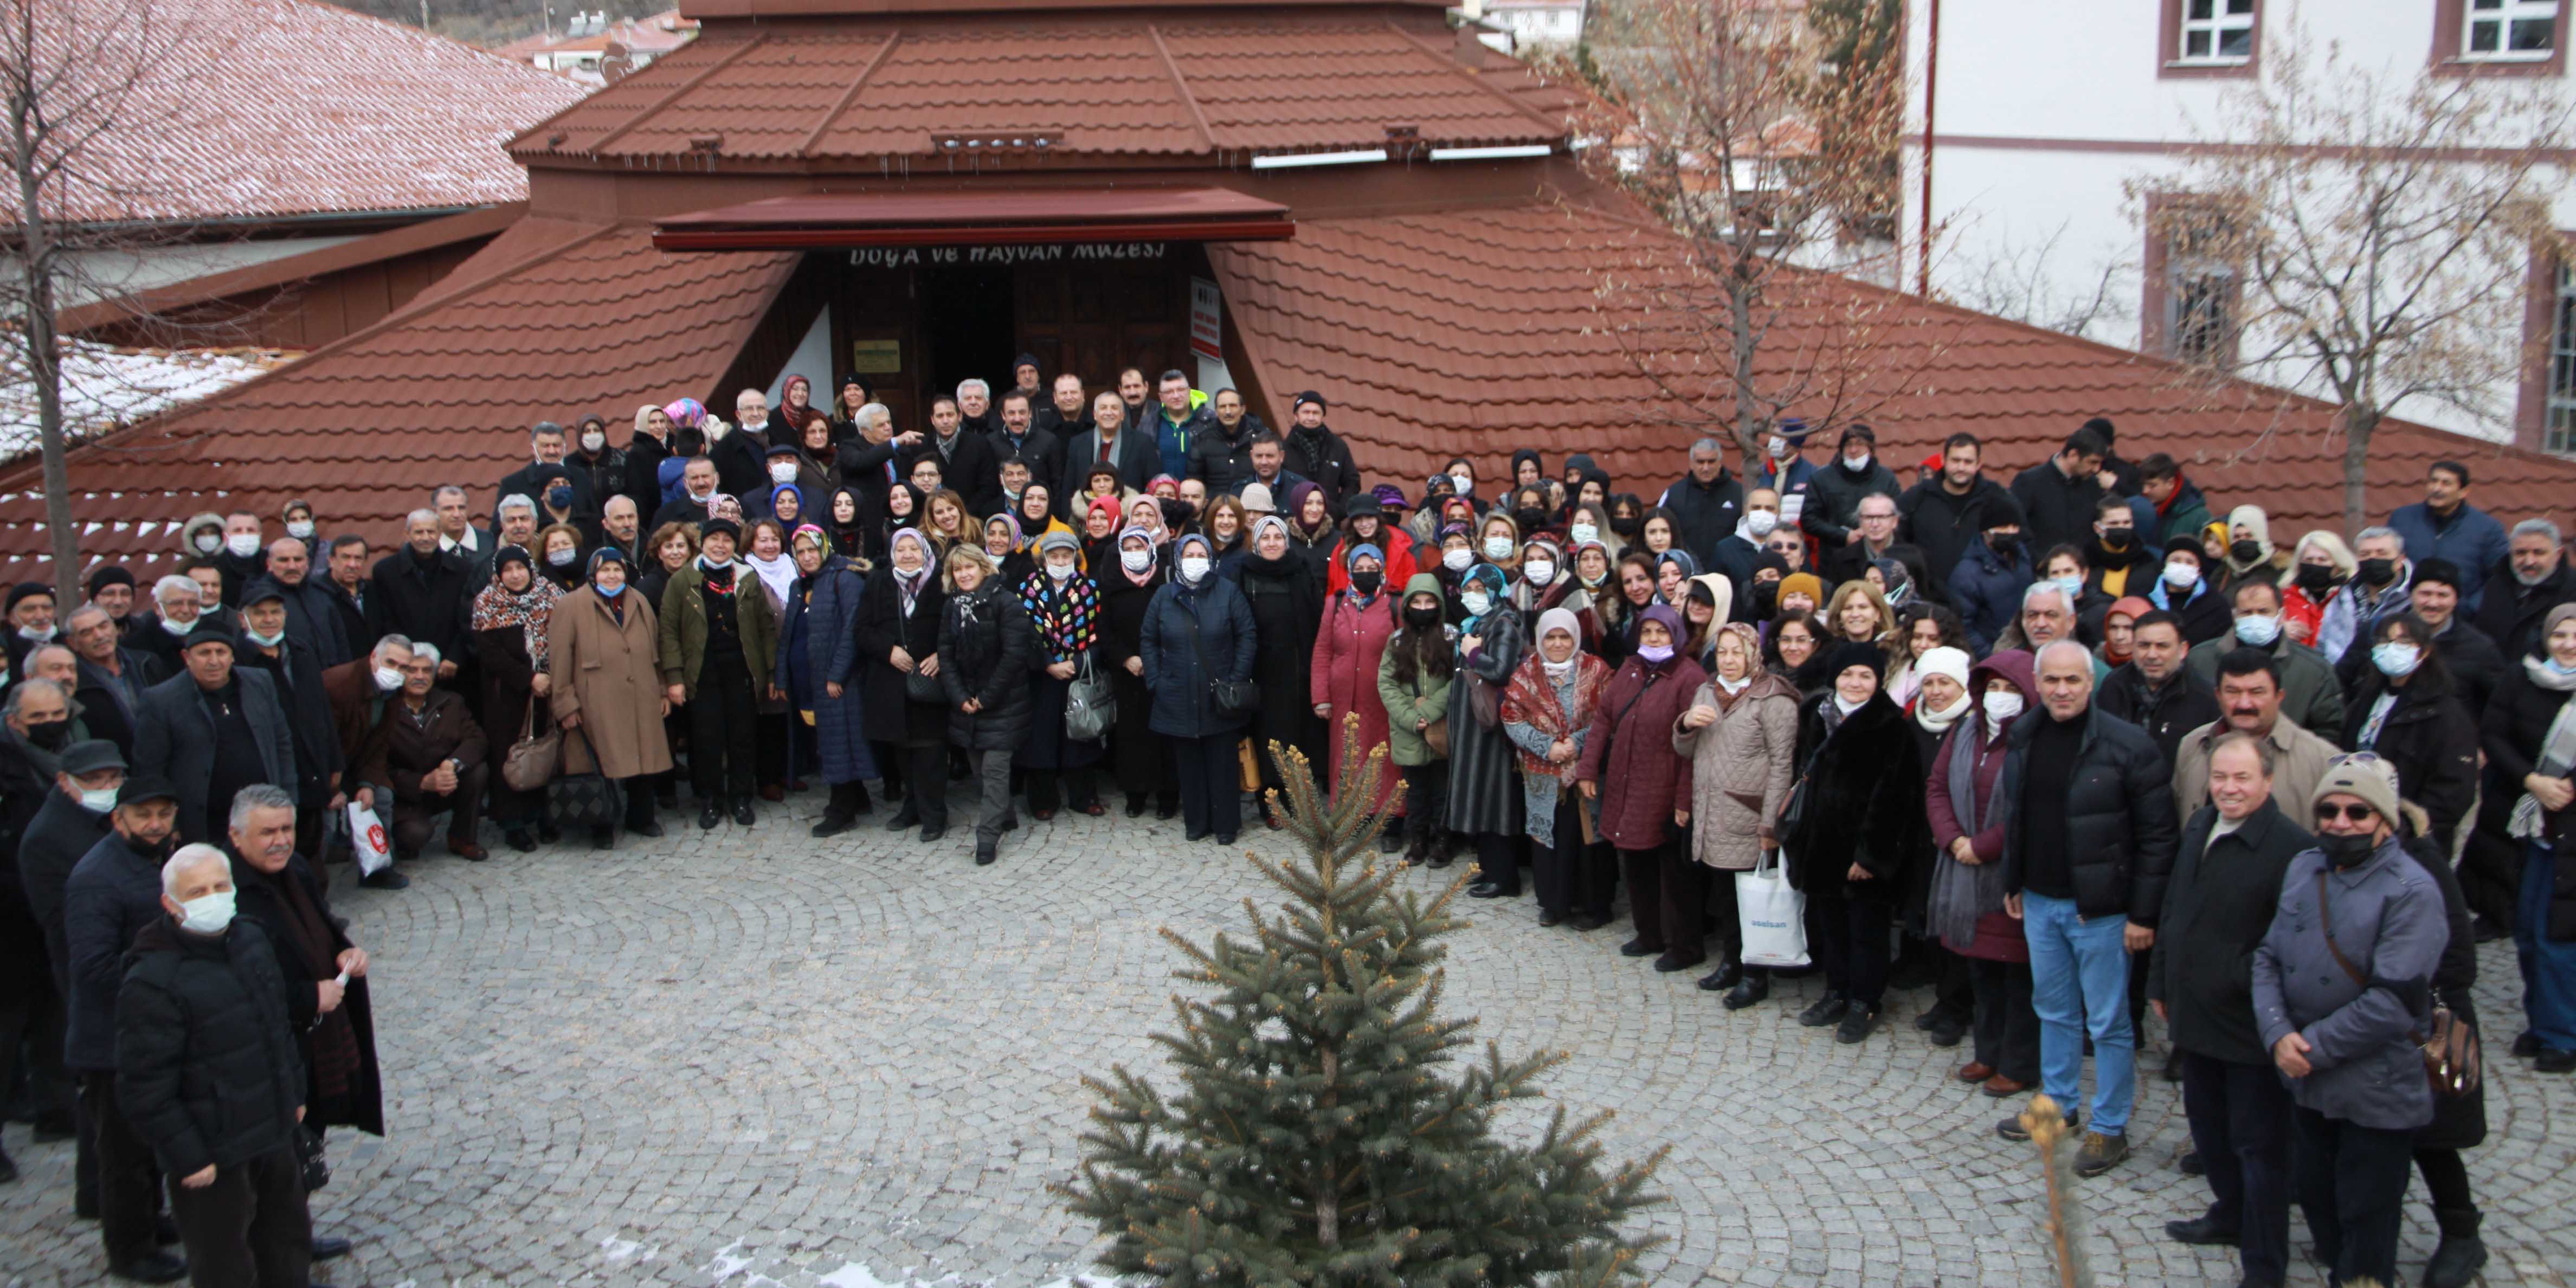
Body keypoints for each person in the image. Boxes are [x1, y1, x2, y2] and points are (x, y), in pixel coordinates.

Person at [2252, 755, 2449, 1288]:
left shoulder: (2413, 892)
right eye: (2330, 810)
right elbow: (2268, 955)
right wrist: (2276, 1032)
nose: (2341, 822)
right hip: (2307, 1081)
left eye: (2359, 812)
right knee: (2318, 1200)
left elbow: (2392, 1002)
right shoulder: (2303, 867)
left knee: (2367, 1216)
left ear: (2385, 820)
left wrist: (2307, 1046)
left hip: (2375, 1086)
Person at [1996, 640, 2178, 1176]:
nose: (2061, 690)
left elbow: (2158, 837)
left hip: (2100, 911)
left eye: (2072, 680)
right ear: (2037, 681)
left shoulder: (2129, 746)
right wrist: (2015, 878)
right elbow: (2019, 816)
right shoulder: (2026, 736)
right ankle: (2058, 1104)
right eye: (2051, 680)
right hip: (2039, 899)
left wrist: (2143, 915)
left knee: (2108, 1022)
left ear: (2091, 680)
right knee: (2053, 1010)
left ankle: (2110, 1126)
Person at [2149, 732, 2314, 1288]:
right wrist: (2161, 978)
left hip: (2248, 1024)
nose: (2229, 788)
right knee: (2210, 1131)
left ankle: (2266, 1263)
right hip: (2194, 1014)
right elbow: (2175, 908)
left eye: (2242, 778)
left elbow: (2289, 945)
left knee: (2259, 1147)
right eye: (2220, 777)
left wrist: (2226, 977)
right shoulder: (2200, 825)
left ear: (2267, 781)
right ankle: (2228, 1213)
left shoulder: (2291, 850)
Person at [115, 845, 313, 1288]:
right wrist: (188, 1156)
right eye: (197, 890)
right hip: (212, 1154)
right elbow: (144, 1086)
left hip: (272, 1129)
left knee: (286, 1241)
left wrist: (294, 1097)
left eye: (220, 886)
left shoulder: (252, 940)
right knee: (224, 1264)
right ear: (171, 903)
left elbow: (277, 1028)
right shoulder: (151, 981)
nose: (212, 897)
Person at [222, 786, 377, 1265]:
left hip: (313, 1038)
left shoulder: (297, 873)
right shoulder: (227, 893)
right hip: (267, 1050)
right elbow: (231, 987)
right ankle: (271, 1253)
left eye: (286, 829)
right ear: (235, 835)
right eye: (267, 831)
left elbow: (322, 926)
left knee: (307, 1139)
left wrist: (344, 950)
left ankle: (293, 1238)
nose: (280, 840)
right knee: (273, 1161)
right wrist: (307, 996)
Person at [61, 773, 186, 1284]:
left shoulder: (156, 858)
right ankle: (130, 1250)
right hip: (111, 1040)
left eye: (163, 814)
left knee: (147, 1146)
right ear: (118, 819)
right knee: (123, 1155)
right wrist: (164, 975)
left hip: (147, 1031)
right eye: (143, 816)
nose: (155, 825)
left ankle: (151, 1221)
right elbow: (93, 969)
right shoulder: (96, 877)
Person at [1781, 641, 1923, 1042]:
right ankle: (1837, 991)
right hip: (1821, 843)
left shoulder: (1891, 725)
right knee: (1831, 926)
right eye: (1847, 675)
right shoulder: (1817, 714)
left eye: (1866, 676)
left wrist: (1871, 856)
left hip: (1862, 850)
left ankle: (1865, 1000)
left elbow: (1896, 798)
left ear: (1878, 681)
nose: (1856, 683)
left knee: (1866, 930)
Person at [1927, 651, 2041, 1097]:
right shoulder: (1967, 730)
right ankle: (1987, 1052)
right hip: (1963, 870)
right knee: (1982, 974)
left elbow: (2028, 808)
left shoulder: (2033, 740)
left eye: (2010, 689)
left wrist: (1983, 845)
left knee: (2017, 977)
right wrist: (1953, 839)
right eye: (1992, 688)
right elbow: (1937, 787)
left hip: (2007, 876)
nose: (2000, 697)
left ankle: (2019, 1062)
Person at [1672, 620, 1799, 1001]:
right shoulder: (1705, 691)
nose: (1729, 660)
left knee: (1751, 897)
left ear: (1753, 654)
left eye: (1737, 652)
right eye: (1723, 651)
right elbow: (1685, 752)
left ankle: (1755, 975)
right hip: (1711, 813)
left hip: (1748, 813)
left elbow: (1782, 765)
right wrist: (1685, 724)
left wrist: (1769, 824)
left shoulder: (1774, 698)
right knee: (1725, 896)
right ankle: (1731, 963)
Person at [1575, 603, 1706, 971]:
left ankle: (1684, 945)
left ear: (1675, 635)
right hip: (1626, 781)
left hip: (1664, 785)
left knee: (1672, 872)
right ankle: (1648, 933)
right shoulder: (1631, 668)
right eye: (1647, 632)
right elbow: (1603, 719)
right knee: (1635, 861)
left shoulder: (1688, 676)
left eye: (1661, 632)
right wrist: (1587, 770)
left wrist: (1683, 799)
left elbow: (1692, 747)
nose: (1653, 638)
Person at [2487, 602, 2576, 1073]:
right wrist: (2531, 781)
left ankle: (2564, 1033)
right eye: (2560, 635)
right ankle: (2543, 1022)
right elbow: (2495, 733)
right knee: (2526, 932)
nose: (2568, 645)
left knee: (2559, 934)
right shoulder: (2521, 679)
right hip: (2531, 823)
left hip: (2572, 830)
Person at [547, 549, 674, 848]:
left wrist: (662, 689)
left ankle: (641, 817)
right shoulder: (571, 605)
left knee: (644, 757)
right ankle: (600, 823)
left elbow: (654, 651)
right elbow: (560, 658)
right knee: (599, 761)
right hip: (596, 699)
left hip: (641, 692)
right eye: (605, 571)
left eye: (617, 570)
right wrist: (565, 704)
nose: (612, 576)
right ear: (593, 574)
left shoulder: (639, 600)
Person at [1138, 532, 1257, 845]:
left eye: (1200, 555)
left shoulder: (1228, 592)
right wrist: (1156, 680)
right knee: (1188, 764)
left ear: (1211, 558)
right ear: (1178, 560)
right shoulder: (1164, 595)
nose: (1195, 561)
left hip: (1219, 692)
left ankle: (1226, 825)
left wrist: (1236, 676)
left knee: (1222, 761)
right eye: (1188, 555)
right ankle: (1197, 822)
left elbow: (1247, 635)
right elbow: (1149, 639)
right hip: (1176, 692)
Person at [131, 627, 298, 848]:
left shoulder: (259, 682)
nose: (214, 661)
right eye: (204, 653)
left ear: (232, 656)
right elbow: (150, 768)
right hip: (203, 823)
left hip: (262, 815)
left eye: (221, 652)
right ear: (186, 657)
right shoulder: (161, 700)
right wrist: (167, 823)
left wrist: (289, 798)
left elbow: (281, 741)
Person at [659, 518, 777, 829]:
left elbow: (765, 627)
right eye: (715, 539)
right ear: (703, 543)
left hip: (741, 670)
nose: (720, 545)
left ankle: (741, 797)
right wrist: (674, 677)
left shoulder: (748, 578)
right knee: (706, 739)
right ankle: (710, 800)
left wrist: (771, 672)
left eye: (727, 540)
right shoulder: (683, 580)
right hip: (701, 671)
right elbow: (669, 631)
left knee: (742, 737)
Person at [2341, 614, 2480, 856]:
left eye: (2404, 642)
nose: (2392, 649)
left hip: (2408, 843)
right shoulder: (2365, 699)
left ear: (2424, 652)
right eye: (2385, 641)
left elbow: (2454, 792)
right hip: (2354, 826)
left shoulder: (2446, 715)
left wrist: (2405, 823)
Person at [935, 544, 1032, 866]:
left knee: (993, 772)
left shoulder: (1007, 603)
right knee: (978, 769)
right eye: (957, 570)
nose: (963, 574)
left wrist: (985, 698)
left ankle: (987, 838)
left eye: (969, 568)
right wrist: (960, 697)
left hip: (1002, 703)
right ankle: (1006, 815)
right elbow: (945, 655)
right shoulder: (952, 607)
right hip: (966, 704)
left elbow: (1014, 656)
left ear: (983, 568)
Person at [1227, 515, 1324, 821]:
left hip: (1295, 670)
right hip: (1259, 670)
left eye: (1277, 537)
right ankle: (1268, 802)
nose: (1272, 543)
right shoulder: (1243, 572)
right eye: (1265, 538)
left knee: (1296, 735)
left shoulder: (1300, 570)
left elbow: (1315, 617)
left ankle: (1294, 796)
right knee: (1264, 737)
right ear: (1256, 543)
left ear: (1286, 540)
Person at [858, 530, 952, 840]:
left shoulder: (942, 581)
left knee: (931, 750)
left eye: (915, 548)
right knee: (902, 749)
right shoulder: (878, 582)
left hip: (931, 678)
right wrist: (888, 650)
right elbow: (861, 629)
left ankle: (934, 814)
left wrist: (942, 655)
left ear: (925, 551)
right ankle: (911, 807)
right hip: (891, 680)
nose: (909, 554)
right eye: (902, 549)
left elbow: (956, 625)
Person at [2173, 648, 2341, 821]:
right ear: (2218, 695)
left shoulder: (2321, 760)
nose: (2244, 704)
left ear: (2279, 696)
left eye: (2256, 692)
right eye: (2233, 692)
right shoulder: (2192, 746)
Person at [358, 642, 490, 862]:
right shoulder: (386, 707)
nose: (420, 676)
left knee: (478, 771)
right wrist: (421, 782)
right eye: (412, 670)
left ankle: (462, 838)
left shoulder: (451, 702)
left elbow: (477, 739)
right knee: (414, 836)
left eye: (427, 670)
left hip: (447, 785)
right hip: (406, 793)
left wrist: (451, 765)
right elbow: (377, 764)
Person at [469, 546, 561, 852]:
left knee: (548, 749)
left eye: (520, 568)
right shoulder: (487, 603)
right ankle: (514, 824)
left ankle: (548, 815)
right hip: (506, 696)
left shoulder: (551, 595)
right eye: (507, 570)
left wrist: (548, 676)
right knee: (510, 754)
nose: (515, 575)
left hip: (551, 688)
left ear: (530, 569)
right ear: (498, 574)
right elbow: (490, 654)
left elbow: (566, 637)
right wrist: (529, 678)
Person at [1311, 543, 1402, 841]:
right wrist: (1321, 696)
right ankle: (1349, 818)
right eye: (1359, 569)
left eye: (1371, 568)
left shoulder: (1394, 604)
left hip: (1383, 698)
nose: (1365, 574)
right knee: (1347, 756)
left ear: (1381, 569)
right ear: (1349, 571)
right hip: (1343, 698)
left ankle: (1389, 820)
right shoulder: (1335, 604)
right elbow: (1323, 650)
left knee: (1385, 759)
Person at [1447, 563, 1525, 897]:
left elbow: (1502, 670)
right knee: (1480, 795)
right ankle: (1490, 868)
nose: (1473, 595)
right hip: (1474, 726)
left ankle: (1504, 876)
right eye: (1469, 588)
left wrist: (1473, 653)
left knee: (1496, 799)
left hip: (1491, 728)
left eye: (1481, 589)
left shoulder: (1503, 623)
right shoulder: (1480, 622)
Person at [1015, 531, 1105, 819]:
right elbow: (1023, 634)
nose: (1060, 560)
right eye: (1054, 556)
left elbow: (1099, 634)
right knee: (1041, 738)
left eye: (1066, 555)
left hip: (1076, 674)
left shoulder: (1090, 589)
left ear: (1075, 558)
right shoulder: (1028, 589)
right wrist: (1048, 664)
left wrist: (1077, 663)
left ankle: (1084, 796)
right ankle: (1043, 800)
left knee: (1079, 735)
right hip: (1041, 677)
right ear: (1044, 559)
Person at [2186, 577, 2345, 737]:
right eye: (2247, 613)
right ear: (2234, 616)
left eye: (2263, 612)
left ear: (2281, 615)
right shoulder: (2199, 660)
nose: (2255, 619)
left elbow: (2329, 729)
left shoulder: (2314, 669)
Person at [1377, 574, 1454, 864]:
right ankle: (1418, 840)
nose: (1423, 608)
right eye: (1417, 602)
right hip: (1408, 727)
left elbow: (1457, 681)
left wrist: (1431, 711)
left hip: (1441, 726)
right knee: (1416, 790)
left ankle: (1443, 840)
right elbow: (1386, 682)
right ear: (1407, 607)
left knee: (1442, 789)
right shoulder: (1396, 641)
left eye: (1429, 602)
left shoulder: (1451, 636)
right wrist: (1410, 717)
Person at [2097, 610, 2220, 767]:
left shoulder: (2204, 698)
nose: (2152, 655)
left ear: (2183, 650)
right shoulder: (2113, 686)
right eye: (2144, 645)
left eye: (2162, 646)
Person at [1898, 432, 2007, 606]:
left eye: (1968, 462)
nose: (1961, 468)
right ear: (1943, 460)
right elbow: (1898, 541)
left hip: (1981, 601)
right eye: (1955, 461)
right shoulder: (1917, 497)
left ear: (1979, 463)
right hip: (1928, 600)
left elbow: (2018, 539)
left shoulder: (1996, 498)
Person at [370, 508, 475, 683]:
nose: (425, 538)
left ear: (440, 533)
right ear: (407, 534)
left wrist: (456, 657)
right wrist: (405, 658)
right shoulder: (385, 571)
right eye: (419, 532)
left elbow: (468, 618)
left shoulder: (463, 570)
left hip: (452, 670)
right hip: (402, 669)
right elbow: (384, 620)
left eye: (431, 531)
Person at [2389, 460, 2510, 612]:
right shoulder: (2402, 519)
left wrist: (2470, 608)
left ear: (2463, 492)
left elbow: (2499, 578)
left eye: (2446, 483)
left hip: (2461, 620)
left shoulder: (2488, 529)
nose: (2437, 488)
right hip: (2406, 614)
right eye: (2433, 481)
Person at [2402, 558, 2506, 716]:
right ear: (2411, 595)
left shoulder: (2480, 648)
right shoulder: (2381, 634)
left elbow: (2500, 706)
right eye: (2425, 594)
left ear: (2455, 600)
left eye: (2443, 595)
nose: (2433, 603)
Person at [2472, 518, 2576, 662]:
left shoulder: (2572, 588)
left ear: (2558, 555)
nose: (2529, 562)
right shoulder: (2497, 585)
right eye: (2521, 553)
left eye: (2539, 553)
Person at [1952, 495, 2034, 655]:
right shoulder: (1967, 573)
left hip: (2026, 652)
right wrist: (1992, 656)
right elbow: (1963, 627)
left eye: (2014, 526)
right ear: (1985, 531)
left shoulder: (2023, 557)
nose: (2010, 532)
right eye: (2003, 527)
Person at [1799, 424, 1900, 554]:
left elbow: (1898, 515)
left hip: (1879, 554)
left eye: (1860, 444)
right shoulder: (1821, 479)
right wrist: (1844, 536)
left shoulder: (1887, 478)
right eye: (1848, 445)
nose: (1853, 450)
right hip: (1834, 555)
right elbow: (1809, 520)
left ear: (1870, 449)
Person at [2008, 427, 2108, 556]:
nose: (2096, 469)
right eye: (2093, 462)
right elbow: (2015, 527)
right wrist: (2037, 562)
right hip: (2041, 571)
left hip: (2082, 571)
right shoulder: (2029, 482)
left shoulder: (2093, 486)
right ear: (2073, 455)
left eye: (2100, 463)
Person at [1656, 437, 1745, 570]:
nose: (1706, 468)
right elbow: (1659, 531)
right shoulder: (1674, 494)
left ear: (1720, 462)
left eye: (1711, 462)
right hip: (1686, 574)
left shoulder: (1739, 494)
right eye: (1700, 462)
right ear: (1691, 464)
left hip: (1729, 575)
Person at [1060, 390, 1157, 504]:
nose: (1109, 413)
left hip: (1130, 515)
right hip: (1087, 515)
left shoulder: (1142, 442)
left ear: (1122, 416)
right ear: (1095, 415)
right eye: (1103, 408)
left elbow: (1152, 484)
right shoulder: (1078, 443)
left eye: (1115, 408)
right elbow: (1068, 489)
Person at [1279, 391, 1361, 508]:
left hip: (1330, 520)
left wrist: (1340, 510)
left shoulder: (1338, 447)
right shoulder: (1283, 449)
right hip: (1293, 518)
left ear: (1323, 416)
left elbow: (1352, 483)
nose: (1311, 417)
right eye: (1306, 412)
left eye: (1316, 413)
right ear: (1296, 416)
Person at [2284, 530, 2354, 649]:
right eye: (2309, 560)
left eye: (2323, 560)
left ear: (2337, 564)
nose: (2315, 564)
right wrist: (2279, 631)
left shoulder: (2350, 597)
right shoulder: (2283, 597)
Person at [2136, 453, 2213, 550]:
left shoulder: (2199, 517)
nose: (2145, 491)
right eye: (2143, 485)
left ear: (2170, 484)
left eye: (2152, 486)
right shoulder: (2141, 509)